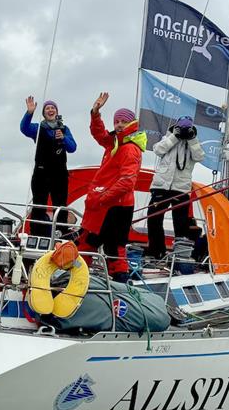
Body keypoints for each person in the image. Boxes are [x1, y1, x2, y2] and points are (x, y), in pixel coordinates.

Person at [77, 94, 146, 282]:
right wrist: (95, 113)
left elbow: (127, 182)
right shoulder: (116, 142)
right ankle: (87, 280)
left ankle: (78, 281)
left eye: (124, 121)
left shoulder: (129, 148)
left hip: (112, 206)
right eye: (117, 121)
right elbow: (99, 134)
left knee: (99, 245)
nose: (120, 125)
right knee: (109, 247)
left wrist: (101, 198)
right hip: (107, 204)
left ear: (132, 124)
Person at [146, 115, 205, 259]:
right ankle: (156, 252)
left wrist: (191, 138)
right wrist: (175, 136)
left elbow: (199, 156)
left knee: (181, 224)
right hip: (161, 186)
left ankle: (180, 255)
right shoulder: (168, 138)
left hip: (181, 188)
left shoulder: (193, 142)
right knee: (154, 219)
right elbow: (158, 150)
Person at [20, 96, 77, 237]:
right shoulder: (38, 128)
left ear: (57, 112)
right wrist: (29, 113)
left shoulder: (64, 129)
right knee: (39, 205)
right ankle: (36, 234)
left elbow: (73, 148)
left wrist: (63, 139)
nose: (50, 110)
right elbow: (24, 128)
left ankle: (61, 234)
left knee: (60, 205)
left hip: (59, 174)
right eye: (47, 108)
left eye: (53, 108)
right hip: (41, 173)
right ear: (44, 113)